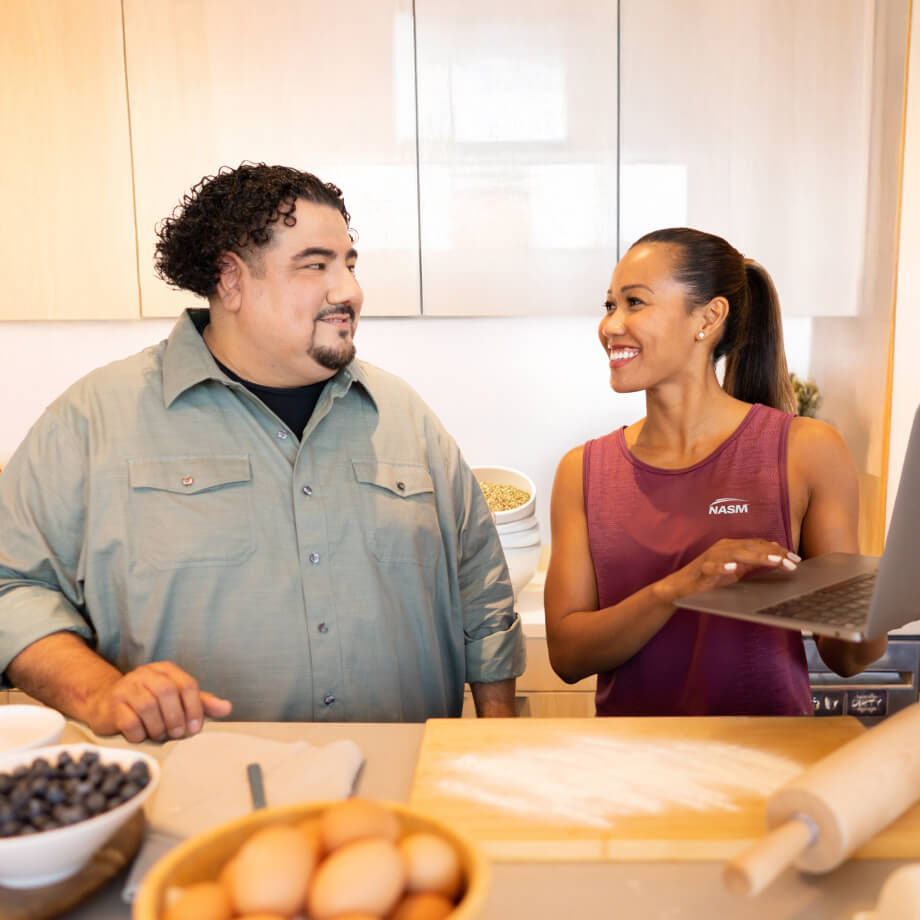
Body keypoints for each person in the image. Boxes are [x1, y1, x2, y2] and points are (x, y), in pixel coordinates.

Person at [0, 163, 524, 741]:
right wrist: (98, 691)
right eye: (315, 265)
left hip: (401, 794)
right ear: (230, 280)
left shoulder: (405, 416)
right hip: (192, 801)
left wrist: (494, 736)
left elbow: (480, 588)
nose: (348, 289)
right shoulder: (93, 420)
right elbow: (10, 582)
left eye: (349, 263)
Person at [544, 227, 886, 716]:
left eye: (634, 303)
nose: (611, 326)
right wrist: (679, 587)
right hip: (628, 768)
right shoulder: (582, 471)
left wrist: (879, 595)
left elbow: (851, 657)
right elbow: (568, 655)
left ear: (709, 317)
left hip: (768, 766)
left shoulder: (806, 451)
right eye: (609, 306)